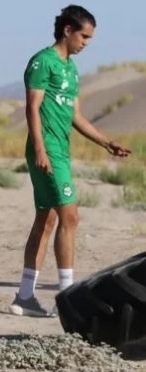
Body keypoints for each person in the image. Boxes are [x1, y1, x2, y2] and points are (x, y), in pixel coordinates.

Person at [10, 5, 131, 317]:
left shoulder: (70, 69)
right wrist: (39, 149)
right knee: (71, 217)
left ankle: (24, 297)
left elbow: (76, 115)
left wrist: (107, 142)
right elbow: (32, 108)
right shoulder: (42, 62)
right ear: (67, 30)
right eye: (84, 36)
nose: (86, 43)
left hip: (62, 150)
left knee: (48, 220)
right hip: (47, 149)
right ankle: (68, 299)